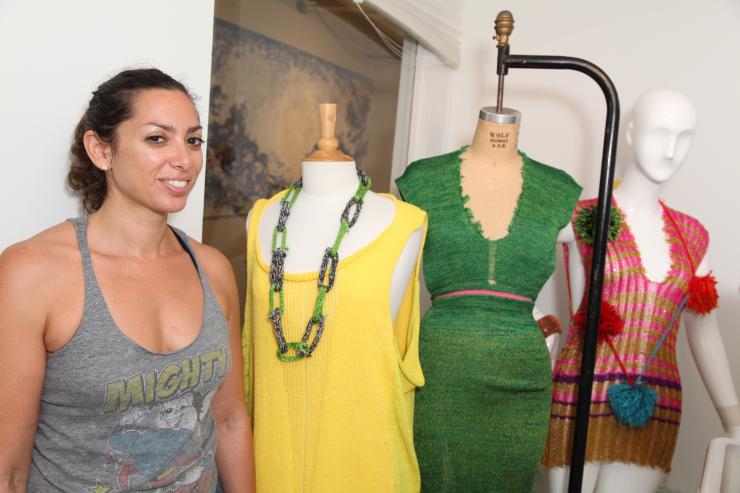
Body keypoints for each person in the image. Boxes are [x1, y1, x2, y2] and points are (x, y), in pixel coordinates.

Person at [0, 68, 255, 492]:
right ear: (101, 150)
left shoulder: (212, 268)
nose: (184, 159)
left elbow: (229, 420)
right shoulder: (33, 272)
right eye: (157, 138)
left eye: (193, 140)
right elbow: (7, 470)